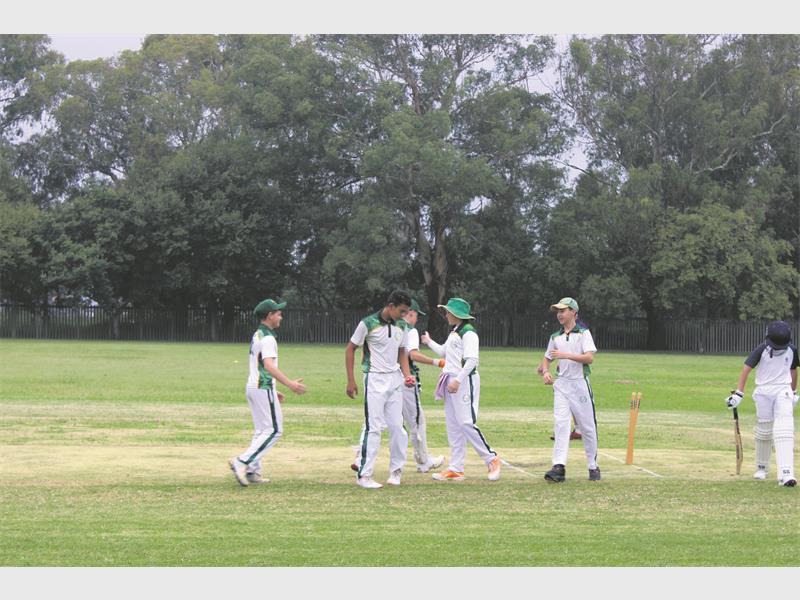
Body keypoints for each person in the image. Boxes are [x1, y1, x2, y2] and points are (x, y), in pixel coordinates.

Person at [421, 297, 502, 482]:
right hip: (450, 381)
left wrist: (457, 380)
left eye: (448, 312)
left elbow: (472, 360)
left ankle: (492, 459)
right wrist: (429, 341)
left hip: (464, 381)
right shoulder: (454, 332)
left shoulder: (469, 333)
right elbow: (444, 352)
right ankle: (456, 468)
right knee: (454, 426)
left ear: (457, 314)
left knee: (466, 422)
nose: (446, 314)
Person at [229, 298, 307, 486]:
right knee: (274, 430)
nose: (281, 315)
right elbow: (269, 365)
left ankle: (252, 472)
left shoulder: (258, 334)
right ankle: (242, 461)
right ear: (269, 315)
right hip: (262, 387)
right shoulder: (269, 338)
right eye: (278, 312)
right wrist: (289, 384)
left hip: (255, 387)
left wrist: (275, 388)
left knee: (262, 430)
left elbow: (260, 366)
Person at [346, 290, 416, 489]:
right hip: (374, 378)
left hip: (395, 379)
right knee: (374, 427)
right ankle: (364, 475)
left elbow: (402, 353)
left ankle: (396, 471)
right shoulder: (368, 323)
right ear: (391, 306)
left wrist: (406, 374)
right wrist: (351, 381)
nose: (404, 316)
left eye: (406, 312)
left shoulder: (402, 326)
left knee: (397, 427)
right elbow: (350, 349)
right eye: (401, 311)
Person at [725, 320, 799, 487]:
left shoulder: (792, 350)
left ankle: (786, 473)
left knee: (784, 429)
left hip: (783, 390)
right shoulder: (762, 349)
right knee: (764, 431)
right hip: (764, 391)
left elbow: (793, 371)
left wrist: (793, 392)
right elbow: (746, 368)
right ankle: (762, 468)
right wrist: (739, 394)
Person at [539, 297, 600, 483]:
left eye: (563, 310)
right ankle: (559, 467)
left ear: (573, 312)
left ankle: (593, 466)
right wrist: (545, 371)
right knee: (561, 424)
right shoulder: (555, 336)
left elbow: (589, 358)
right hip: (562, 385)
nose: (559, 314)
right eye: (558, 311)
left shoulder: (583, 333)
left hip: (580, 384)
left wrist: (566, 355)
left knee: (588, 427)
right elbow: (547, 358)